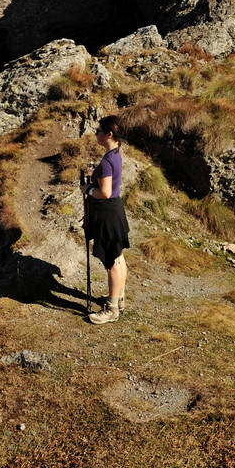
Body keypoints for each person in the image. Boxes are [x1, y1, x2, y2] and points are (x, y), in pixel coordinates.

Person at [85, 116, 132, 324]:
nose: (96, 133)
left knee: (112, 262)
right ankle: (118, 298)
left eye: (99, 130)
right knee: (119, 256)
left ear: (109, 134)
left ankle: (112, 309)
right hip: (116, 211)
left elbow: (103, 192)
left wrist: (88, 189)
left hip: (106, 214)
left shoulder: (106, 161)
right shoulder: (116, 155)